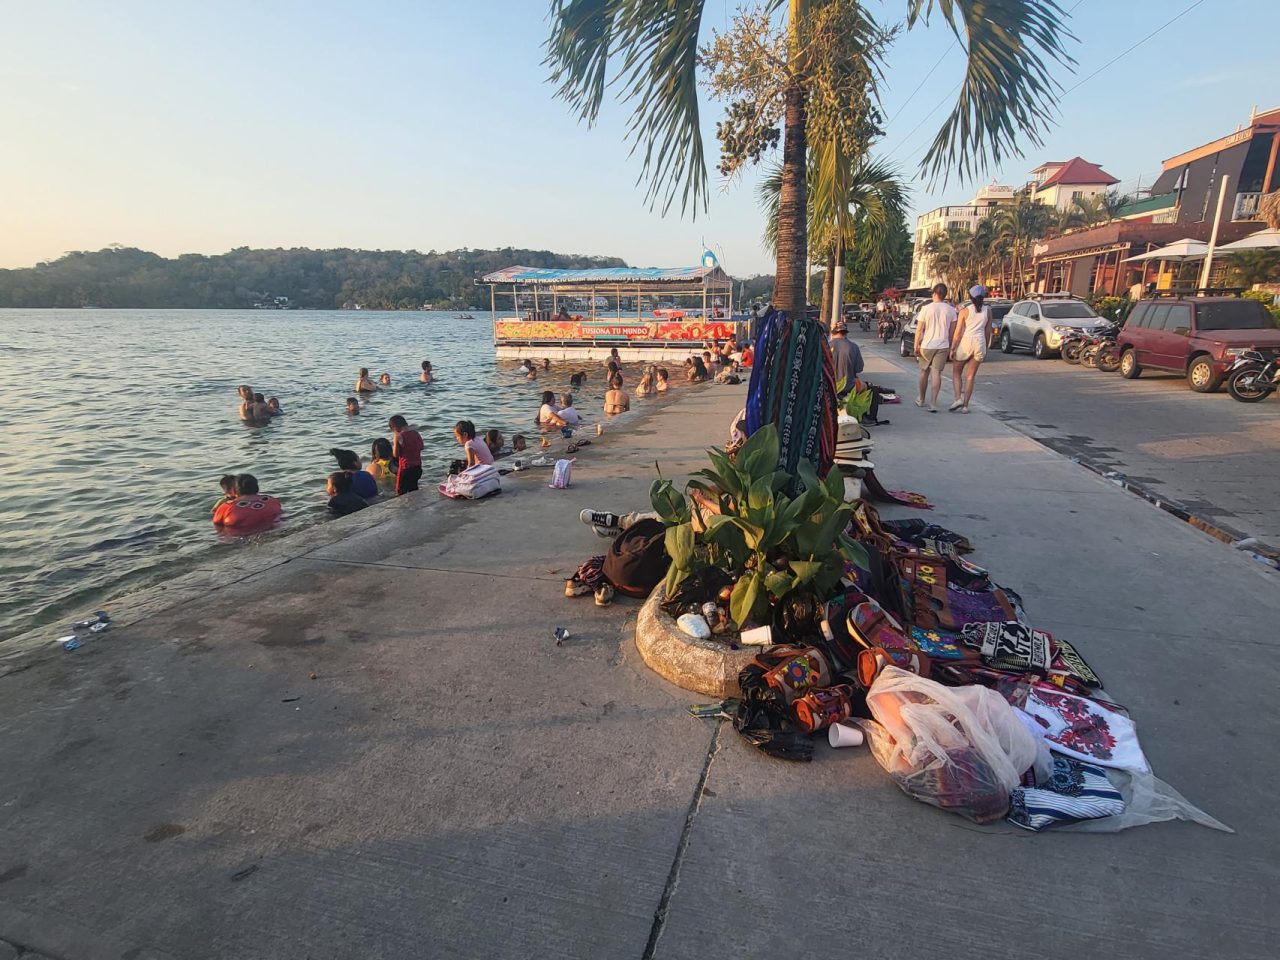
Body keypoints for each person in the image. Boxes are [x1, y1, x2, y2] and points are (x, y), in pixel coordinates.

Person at [949, 285, 994, 413]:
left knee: (956, 372)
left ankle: (958, 398)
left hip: (966, 342)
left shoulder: (965, 311)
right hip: (980, 342)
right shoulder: (988, 311)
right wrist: (985, 347)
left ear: (970, 297)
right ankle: (966, 406)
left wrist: (952, 348)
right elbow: (987, 332)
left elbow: (957, 333)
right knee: (970, 376)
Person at [913, 283, 957, 413]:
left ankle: (921, 399)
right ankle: (933, 403)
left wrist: (916, 345)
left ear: (934, 294)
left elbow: (919, 329)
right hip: (943, 345)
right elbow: (952, 331)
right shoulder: (951, 310)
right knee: (936, 373)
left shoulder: (926, 308)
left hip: (927, 345)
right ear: (944, 295)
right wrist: (950, 346)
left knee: (923, 372)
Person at [829, 320, 864, 396]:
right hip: (849, 387)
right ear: (845, 333)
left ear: (832, 333)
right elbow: (859, 369)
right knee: (865, 386)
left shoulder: (826, 347)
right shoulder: (853, 347)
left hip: (829, 387)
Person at [389, 415, 423, 494]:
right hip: (418, 467)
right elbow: (421, 447)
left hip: (405, 469)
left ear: (394, 428)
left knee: (400, 492)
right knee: (414, 488)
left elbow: (396, 454)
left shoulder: (399, 436)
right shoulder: (416, 433)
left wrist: (395, 442)